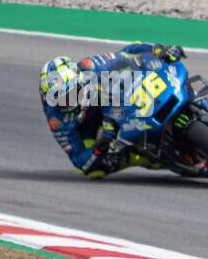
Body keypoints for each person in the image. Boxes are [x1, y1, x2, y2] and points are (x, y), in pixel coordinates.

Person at [39, 43, 188, 179]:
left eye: (71, 93)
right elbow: (79, 160)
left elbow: (127, 52)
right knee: (94, 171)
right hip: (99, 130)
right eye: (59, 99)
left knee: (127, 71)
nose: (68, 101)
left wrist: (158, 50)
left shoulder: (89, 66)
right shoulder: (56, 120)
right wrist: (99, 148)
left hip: (119, 98)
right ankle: (144, 156)